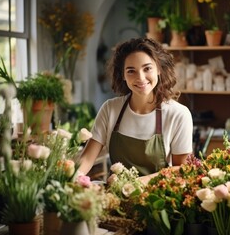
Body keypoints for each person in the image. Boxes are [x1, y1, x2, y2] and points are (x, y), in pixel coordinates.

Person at [77, 37, 193, 183]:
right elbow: (87, 158)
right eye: (131, 71)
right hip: (115, 197)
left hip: (157, 198)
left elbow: (182, 169)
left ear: (159, 69)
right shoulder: (110, 109)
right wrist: (74, 177)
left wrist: (140, 182)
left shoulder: (178, 115)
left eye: (147, 68)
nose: (141, 78)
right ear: (123, 75)